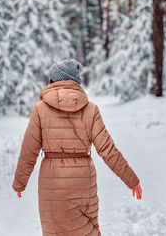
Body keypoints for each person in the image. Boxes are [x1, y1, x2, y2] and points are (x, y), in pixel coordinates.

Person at [12, 58, 142, 236]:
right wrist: (131, 180)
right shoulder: (91, 109)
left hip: (53, 180)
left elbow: (29, 150)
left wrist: (20, 183)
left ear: (53, 81)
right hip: (84, 180)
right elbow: (108, 149)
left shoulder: (40, 109)